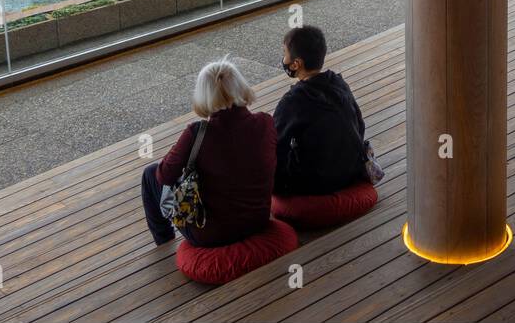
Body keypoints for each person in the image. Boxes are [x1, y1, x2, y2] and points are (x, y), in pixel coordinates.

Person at [140, 58, 275, 247]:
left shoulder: (196, 133)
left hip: (211, 233)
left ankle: (164, 241)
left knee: (149, 175)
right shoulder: (265, 122)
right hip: (258, 221)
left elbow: (164, 176)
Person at [273, 25, 367, 196]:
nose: (283, 59)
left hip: (317, 182)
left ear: (296, 64)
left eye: (285, 53)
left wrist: (277, 187)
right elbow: (360, 125)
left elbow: (276, 146)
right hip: (351, 170)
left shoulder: (292, 101)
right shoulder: (339, 84)